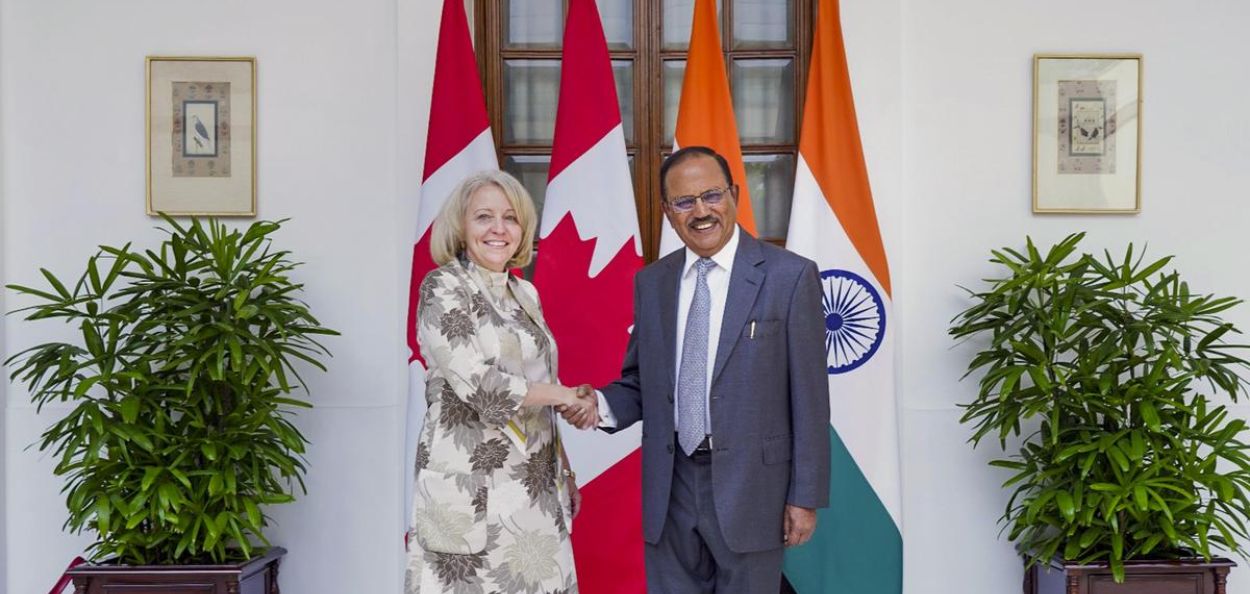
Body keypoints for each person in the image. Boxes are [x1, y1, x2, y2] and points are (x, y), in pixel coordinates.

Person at [570, 146, 831, 593]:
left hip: (754, 489)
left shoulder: (789, 276)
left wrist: (805, 497)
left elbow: (810, 400)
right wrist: (598, 404)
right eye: (684, 202)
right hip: (671, 486)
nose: (701, 211)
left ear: (734, 195)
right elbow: (641, 381)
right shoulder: (652, 282)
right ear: (668, 212)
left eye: (711, 195)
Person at [406, 170, 597, 594]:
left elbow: (540, 383)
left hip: (535, 486)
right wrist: (567, 395)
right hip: (471, 491)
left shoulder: (525, 293)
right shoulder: (442, 287)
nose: (499, 228)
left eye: (510, 218)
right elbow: (480, 386)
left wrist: (564, 467)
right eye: (484, 217)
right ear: (460, 226)